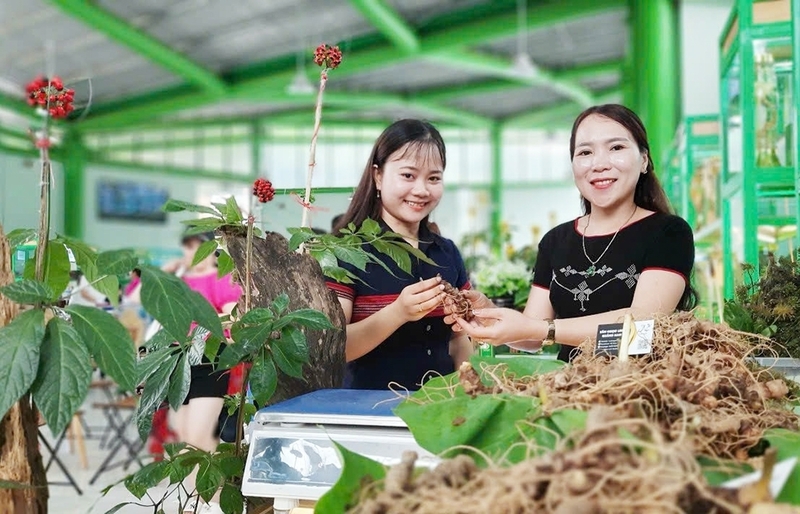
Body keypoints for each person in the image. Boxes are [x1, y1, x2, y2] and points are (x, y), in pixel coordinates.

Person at [447, 104, 696, 362]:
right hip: (569, 390)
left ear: (644, 160)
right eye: (585, 152)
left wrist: (546, 329)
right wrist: (486, 313)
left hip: (639, 391)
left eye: (616, 148)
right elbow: (531, 337)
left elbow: (642, 328)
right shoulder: (555, 241)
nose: (599, 164)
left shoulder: (668, 233)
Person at [326, 118, 473, 390]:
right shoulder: (344, 251)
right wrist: (398, 312)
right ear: (378, 176)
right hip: (367, 414)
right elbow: (333, 348)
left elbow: (458, 339)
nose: (421, 190)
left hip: (440, 411)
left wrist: (469, 386)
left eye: (434, 178)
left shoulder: (446, 252)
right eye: (408, 175)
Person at [134, 231, 241, 513]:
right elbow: (136, 297)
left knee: (197, 437)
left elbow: (234, 320)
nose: (191, 254)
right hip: (178, 360)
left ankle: (215, 501)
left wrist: (199, 320)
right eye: (188, 248)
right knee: (183, 436)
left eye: (196, 248)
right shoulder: (179, 283)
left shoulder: (220, 279)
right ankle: (199, 501)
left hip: (209, 359)